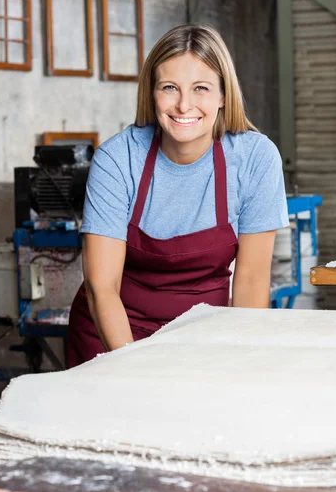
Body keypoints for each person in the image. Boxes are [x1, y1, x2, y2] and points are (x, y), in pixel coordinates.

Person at [66, 24, 289, 368]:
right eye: (169, 87)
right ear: (151, 93)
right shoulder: (117, 159)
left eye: (201, 88)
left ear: (223, 95)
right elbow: (101, 285)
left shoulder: (255, 158)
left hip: (205, 338)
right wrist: (128, 367)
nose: (184, 105)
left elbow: (251, 281)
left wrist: (238, 359)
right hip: (112, 336)